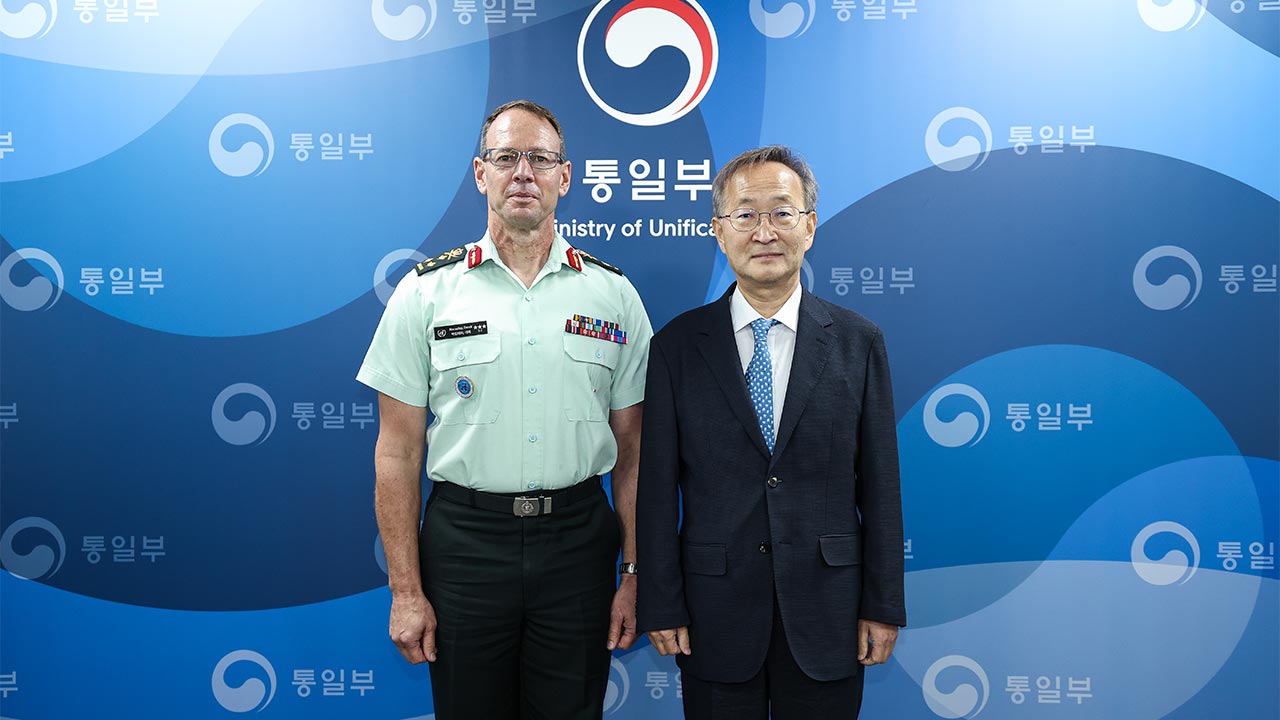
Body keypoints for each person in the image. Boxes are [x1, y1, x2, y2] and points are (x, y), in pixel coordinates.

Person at [357, 99, 653, 720]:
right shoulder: (424, 292)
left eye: (541, 159)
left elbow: (634, 454)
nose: (524, 172)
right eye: (506, 157)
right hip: (465, 545)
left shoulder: (614, 295)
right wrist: (406, 590)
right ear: (480, 173)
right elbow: (398, 450)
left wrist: (634, 571)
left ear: (564, 178)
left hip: (579, 542)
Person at [636, 145, 906, 719]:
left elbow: (881, 488)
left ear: (809, 227)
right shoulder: (677, 347)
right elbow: (656, 491)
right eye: (746, 214)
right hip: (714, 614)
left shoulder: (858, 342)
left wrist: (883, 605)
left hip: (829, 615)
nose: (765, 231)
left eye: (782, 213)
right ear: (718, 230)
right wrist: (661, 604)